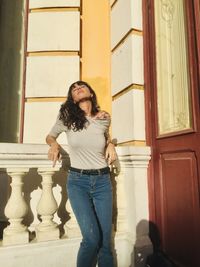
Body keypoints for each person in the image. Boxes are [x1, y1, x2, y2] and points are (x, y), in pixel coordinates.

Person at [46, 81, 117, 267]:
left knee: (105, 242)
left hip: (103, 182)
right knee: (91, 239)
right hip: (78, 182)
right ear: (72, 97)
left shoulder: (104, 118)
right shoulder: (67, 116)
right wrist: (54, 144)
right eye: (73, 88)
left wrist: (111, 144)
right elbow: (50, 136)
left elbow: (105, 137)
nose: (77, 88)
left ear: (91, 93)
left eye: (81, 86)